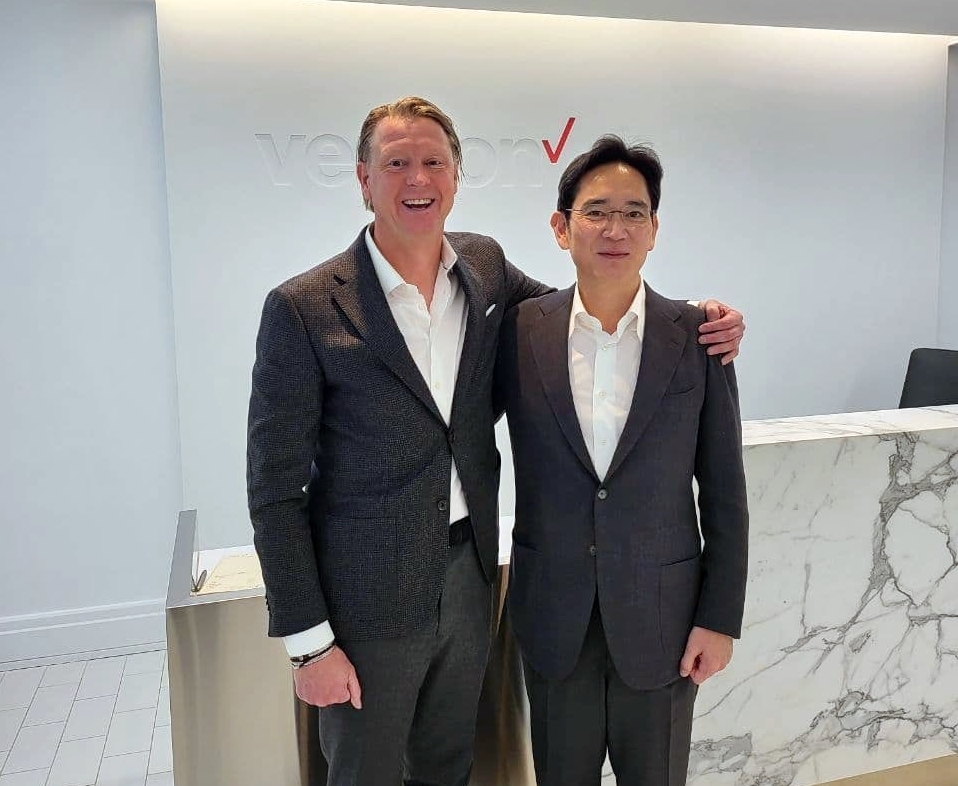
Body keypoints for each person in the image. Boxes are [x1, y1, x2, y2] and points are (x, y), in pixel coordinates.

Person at [246, 97, 745, 786]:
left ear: (456, 175)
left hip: (471, 583)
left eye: (434, 162)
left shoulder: (483, 269)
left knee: (449, 768)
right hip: (365, 602)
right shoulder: (303, 308)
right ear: (363, 178)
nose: (418, 179)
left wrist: (698, 317)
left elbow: (586, 310)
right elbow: (274, 490)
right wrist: (309, 643)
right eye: (396, 163)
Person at [494, 136, 749, 786]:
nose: (616, 229)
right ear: (562, 228)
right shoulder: (519, 333)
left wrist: (718, 619)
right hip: (554, 620)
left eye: (634, 213)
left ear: (654, 230)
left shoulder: (697, 338)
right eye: (597, 211)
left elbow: (725, 493)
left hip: (664, 622)